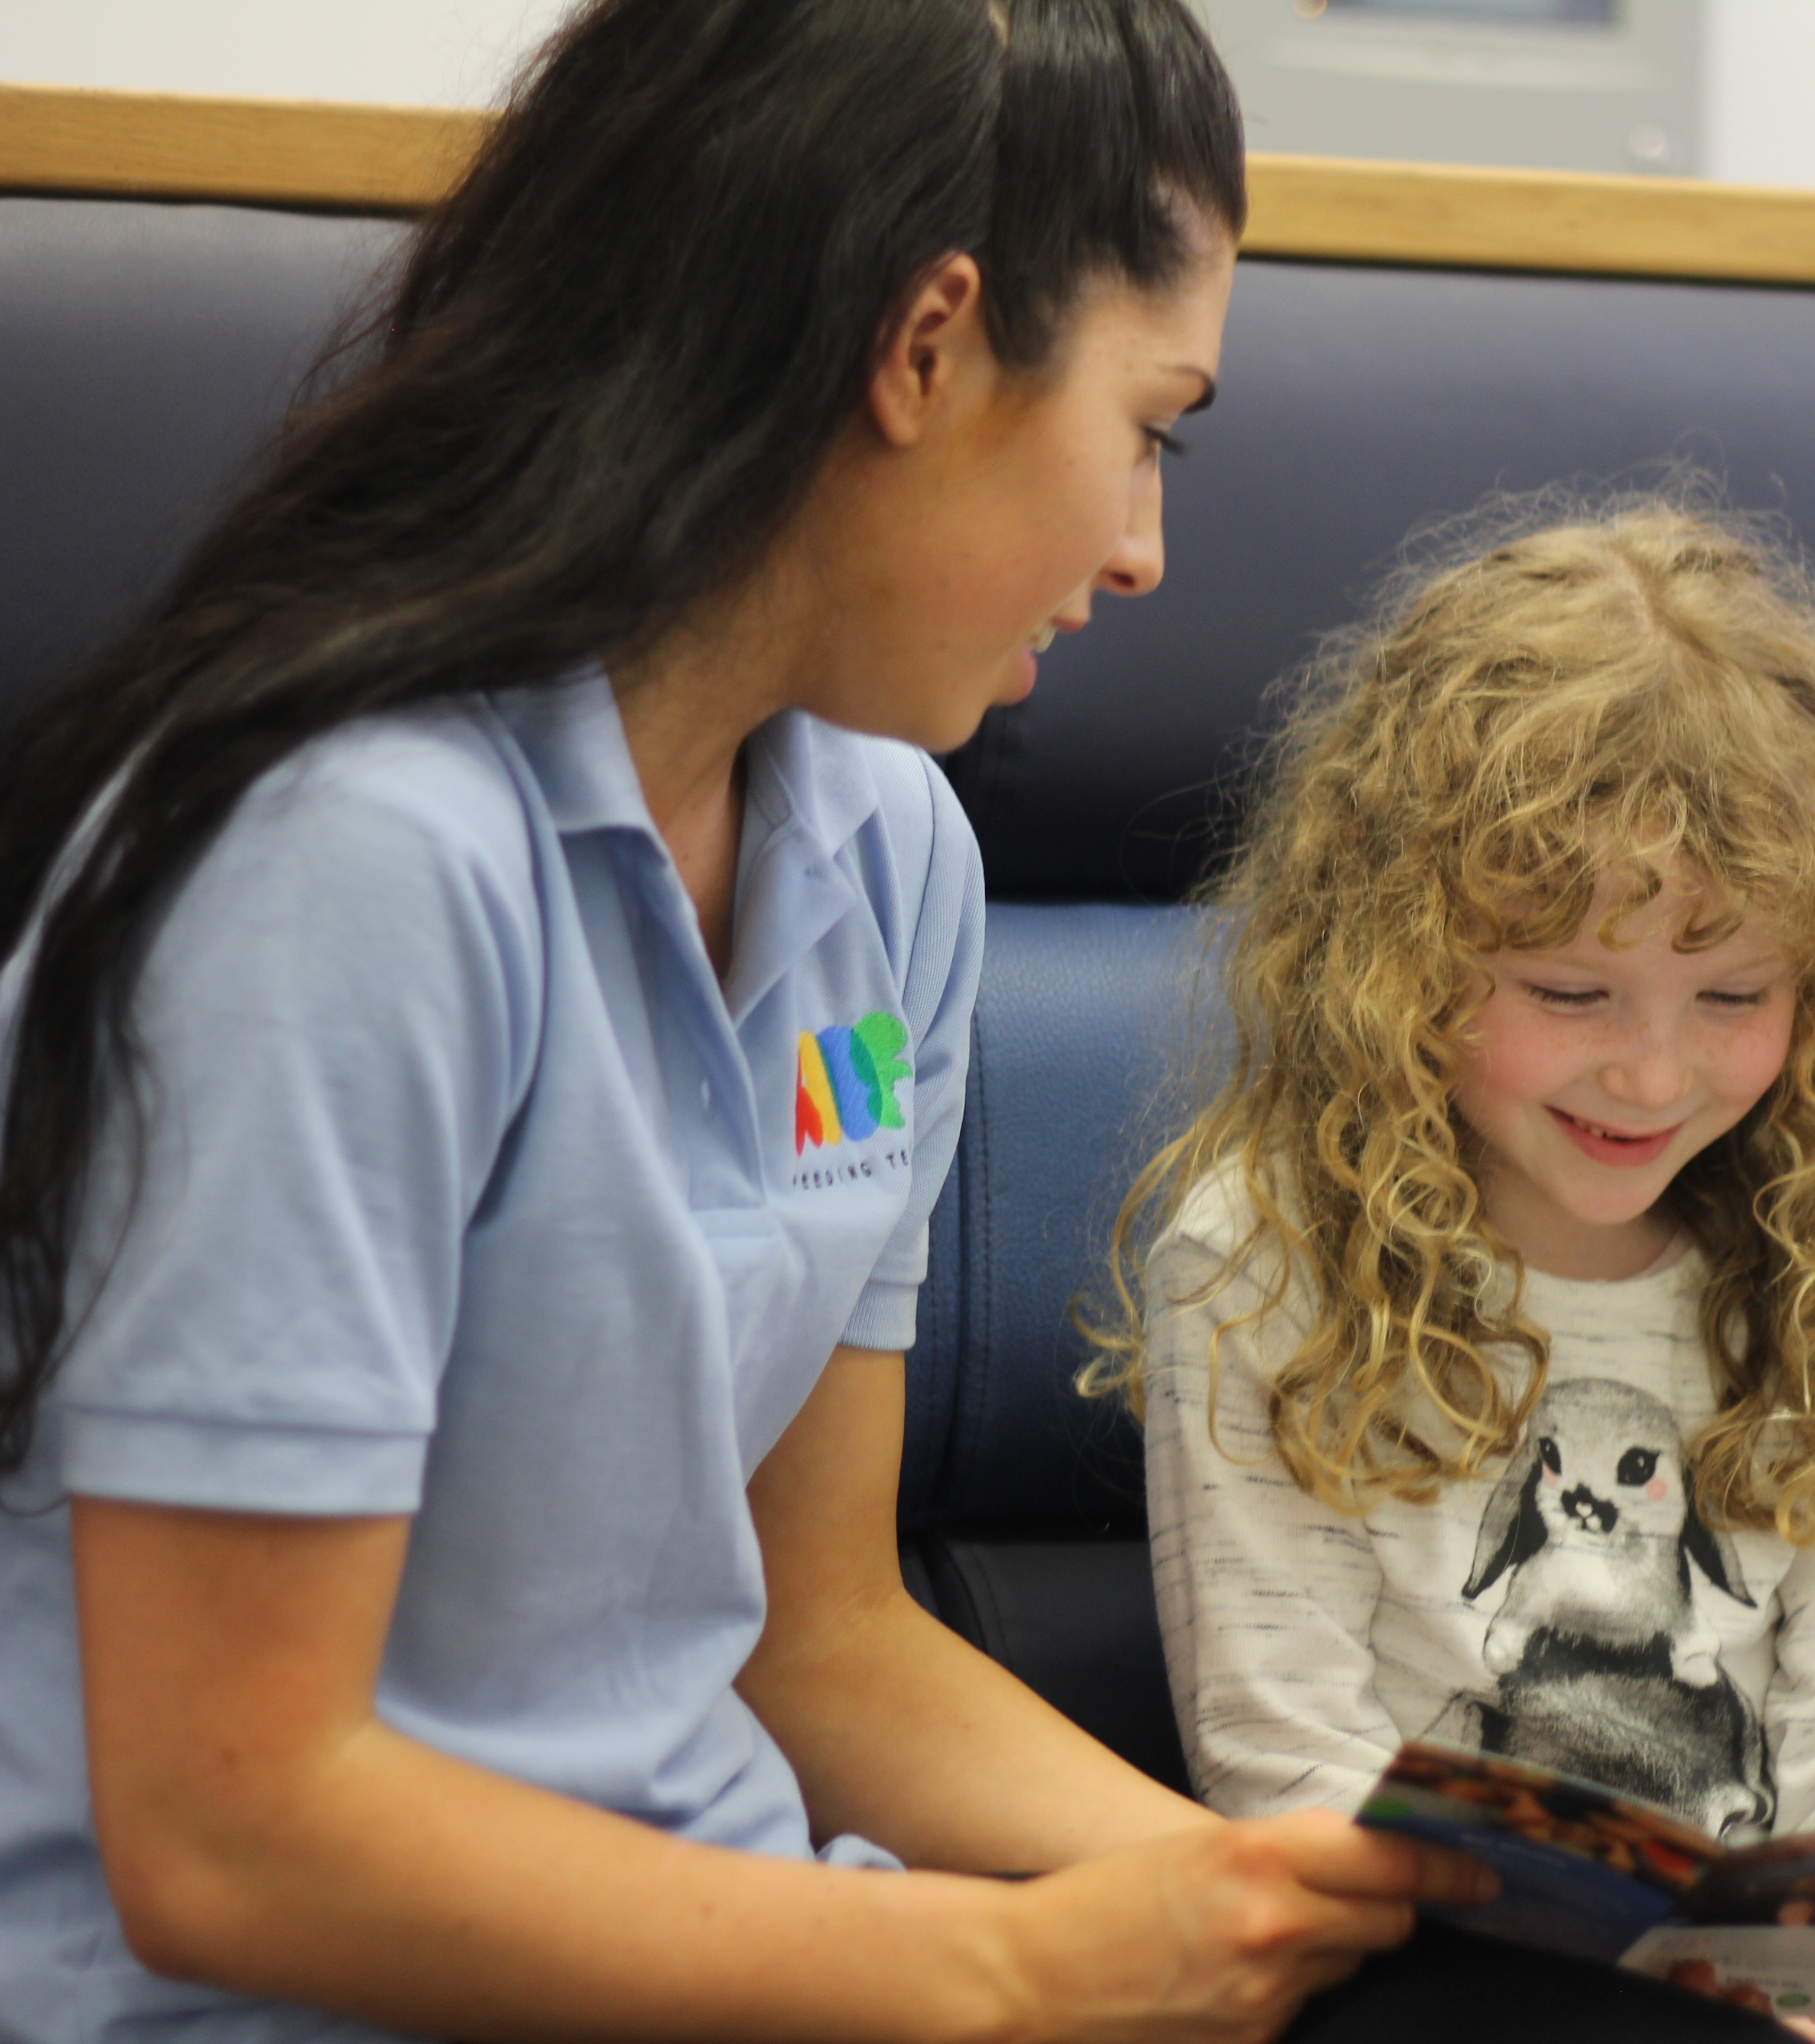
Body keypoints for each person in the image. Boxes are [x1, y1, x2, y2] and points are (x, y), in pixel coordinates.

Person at [0, 2, 1501, 2038]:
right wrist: (996, 1969)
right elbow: (230, 1833)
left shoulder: (892, 854)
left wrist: (1248, 1881)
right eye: (1151, 426)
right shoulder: (350, 857)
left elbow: (819, 1640)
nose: (1147, 546)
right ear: (928, 349)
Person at [1092, 498, 1815, 2044]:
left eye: (1734, 992)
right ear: (1400, 957)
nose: (1654, 1074)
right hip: (1423, 1979)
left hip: (1785, 1998)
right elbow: (1285, 1762)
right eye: (1573, 989)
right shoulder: (1258, 1260)